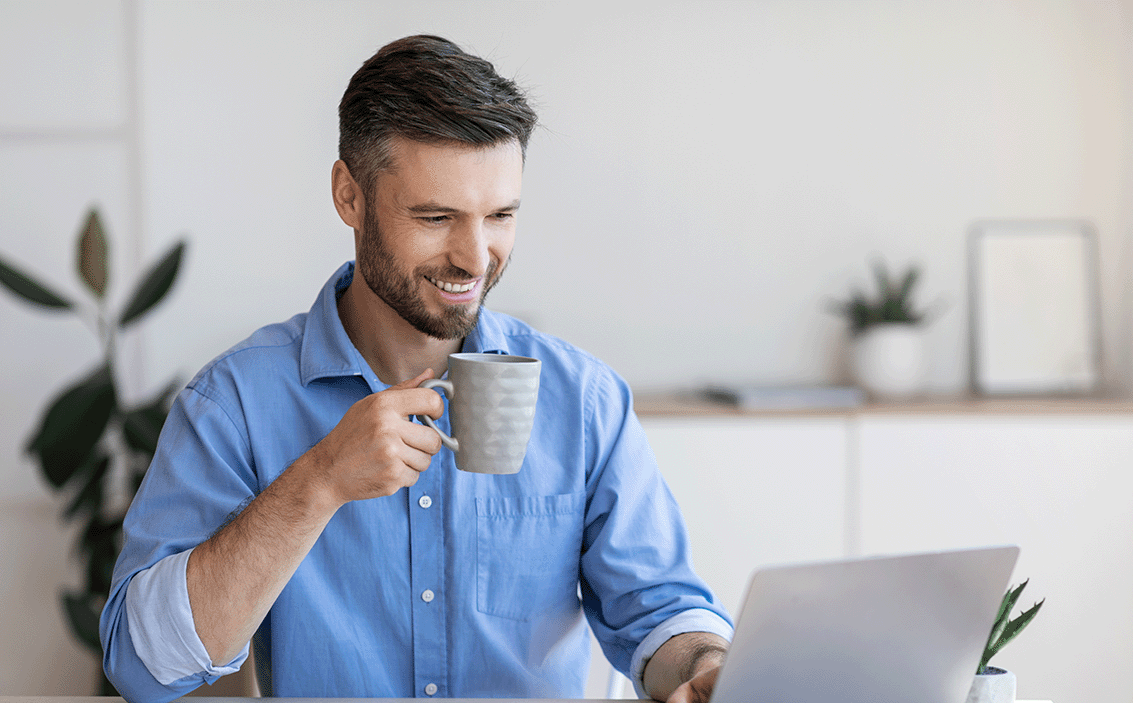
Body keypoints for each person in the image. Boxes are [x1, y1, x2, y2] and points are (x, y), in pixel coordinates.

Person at [99, 34, 733, 703]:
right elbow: (143, 665)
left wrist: (704, 664)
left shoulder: (583, 401)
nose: (474, 256)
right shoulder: (234, 404)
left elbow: (661, 612)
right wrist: (317, 482)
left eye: (500, 216)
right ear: (350, 196)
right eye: (436, 217)